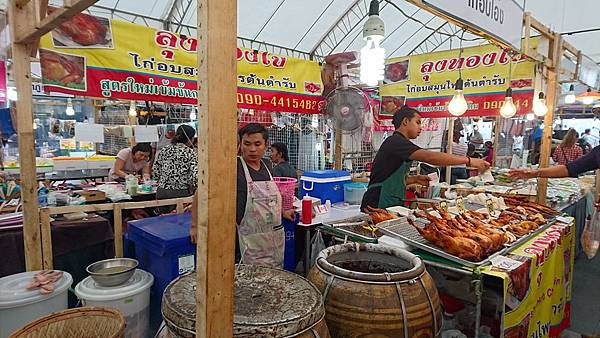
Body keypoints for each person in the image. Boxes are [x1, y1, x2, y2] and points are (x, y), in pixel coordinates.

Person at [190, 123, 294, 268]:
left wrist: (282, 211)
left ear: (266, 145)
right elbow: (201, 192)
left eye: (257, 144)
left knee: (272, 283)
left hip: (272, 241)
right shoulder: (233, 167)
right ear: (240, 144)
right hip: (247, 242)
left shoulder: (267, 166)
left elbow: (269, 200)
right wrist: (195, 226)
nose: (252, 149)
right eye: (247, 144)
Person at [360, 106, 490, 210]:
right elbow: (430, 157)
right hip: (377, 202)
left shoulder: (401, 143)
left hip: (389, 201)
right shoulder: (395, 142)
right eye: (417, 122)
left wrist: (413, 179)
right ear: (405, 121)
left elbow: (388, 177)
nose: (420, 128)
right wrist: (469, 160)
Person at [153, 125, 197, 213]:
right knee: (177, 222)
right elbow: (195, 177)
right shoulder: (190, 152)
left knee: (162, 221)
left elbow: (155, 172)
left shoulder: (165, 149)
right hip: (180, 192)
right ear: (190, 139)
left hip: (161, 192)